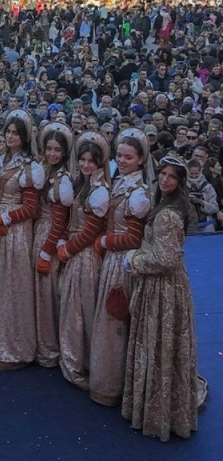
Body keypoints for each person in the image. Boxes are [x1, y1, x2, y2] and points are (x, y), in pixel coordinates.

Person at [122, 155, 208, 441]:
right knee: (163, 345)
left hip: (163, 286)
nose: (165, 179)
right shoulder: (168, 205)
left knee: (159, 343)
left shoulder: (169, 214)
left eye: (172, 176)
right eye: (162, 174)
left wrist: (135, 259)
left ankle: (160, 412)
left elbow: (166, 260)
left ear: (181, 181)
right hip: (168, 285)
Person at [89, 128, 152, 407]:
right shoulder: (120, 183)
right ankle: (107, 381)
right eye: (119, 156)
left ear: (141, 160)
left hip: (124, 263)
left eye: (128, 157)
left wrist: (104, 241)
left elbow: (134, 238)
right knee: (109, 320)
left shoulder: (139, 193)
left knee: (116, 320)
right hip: (112, 260)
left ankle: (116, 386)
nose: (122, 161)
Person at [0, 109, 44, 370]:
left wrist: (5, 219)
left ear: (24, 137)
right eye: (7, 131)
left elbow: (31, 209)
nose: (10, 136)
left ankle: (16, 347)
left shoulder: (30, 166)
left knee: (14, 286)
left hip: (16, 231)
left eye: (15, 133)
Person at [58, 132, 111, 391]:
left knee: (83, 311)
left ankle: (84, 364)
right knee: (72, 308)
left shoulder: (100, 190)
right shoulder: (81, 183)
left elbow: (91, 231)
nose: (86, 165)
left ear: (101, 164)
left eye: (92, 161)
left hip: (86, 255)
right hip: (75, 251)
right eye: (83, 159)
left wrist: (67, 249)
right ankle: (73, 360)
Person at [34, 122, 74, 368]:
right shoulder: (44, 170)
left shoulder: (63, 180)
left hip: (48, 236)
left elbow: (60, 220)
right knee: (40, 292)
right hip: (39, 232)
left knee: (49, 294)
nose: (52, 154)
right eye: (49, 148)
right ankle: (41, 342)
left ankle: (51, 347)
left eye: (57, 150)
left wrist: (47, 251)